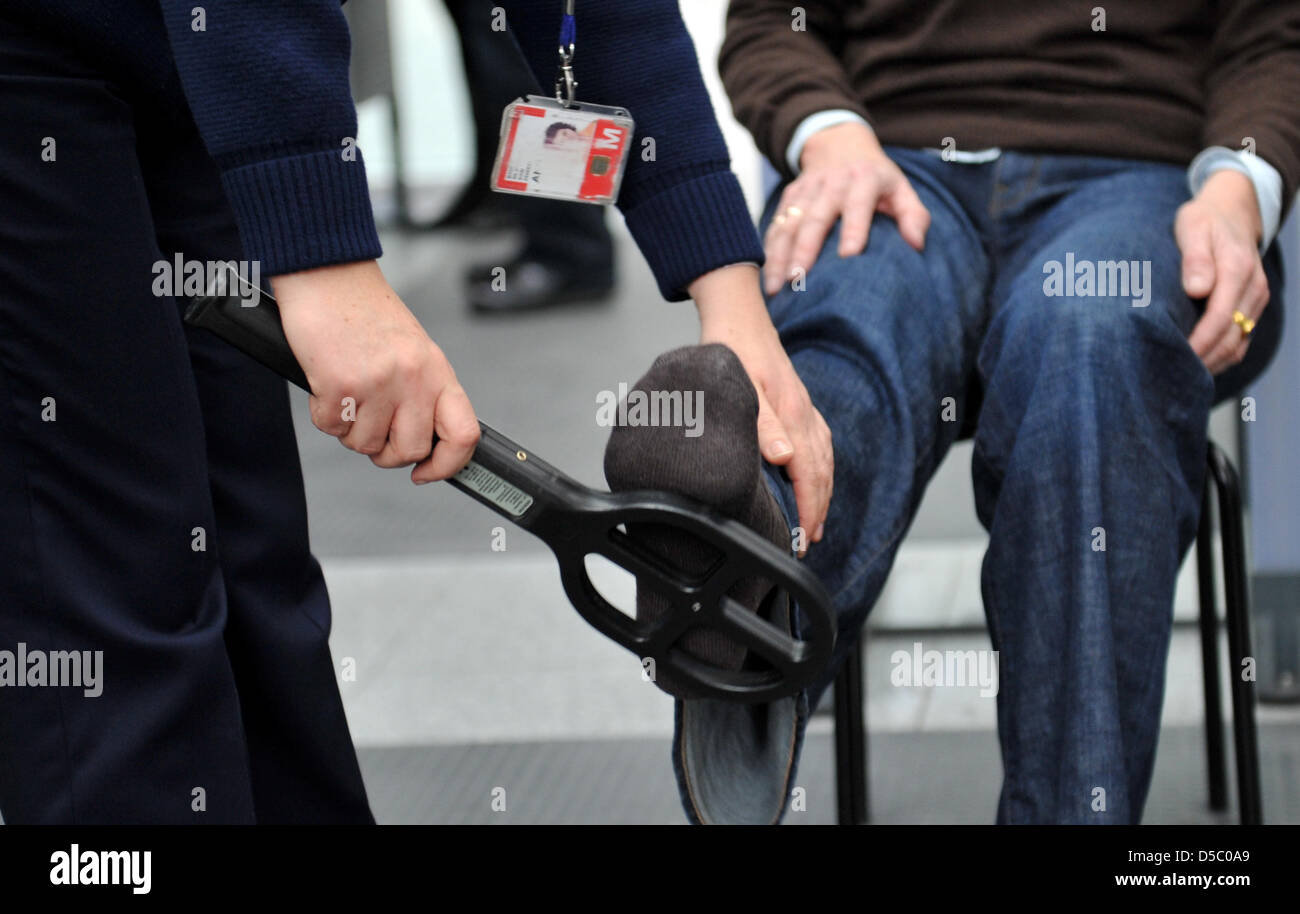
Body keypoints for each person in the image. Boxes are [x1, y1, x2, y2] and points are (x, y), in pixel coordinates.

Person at [0, 0, 832, 823]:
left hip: (186, 53)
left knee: (258, 590)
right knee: (116, 616)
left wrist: (731, 296)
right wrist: (324, 257)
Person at [618, 0, 1296, 824]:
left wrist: (1238, 189)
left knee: (1090, 346)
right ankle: (748, 601)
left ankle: (751, 607)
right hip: (889, 158)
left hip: (1138, 167)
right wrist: (827, 131)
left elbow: (1274, 31)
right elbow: (773, 19)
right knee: (845, 346)